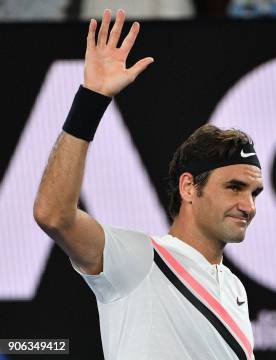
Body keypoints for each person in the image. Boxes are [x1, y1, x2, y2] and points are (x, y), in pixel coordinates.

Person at [33, 9, 262, 360]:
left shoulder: (234, 288)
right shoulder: (140, 259)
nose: (249, 205)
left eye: (253, 192)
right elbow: (53, 214)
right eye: (234, 187)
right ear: (189, 187)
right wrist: (91, 100)